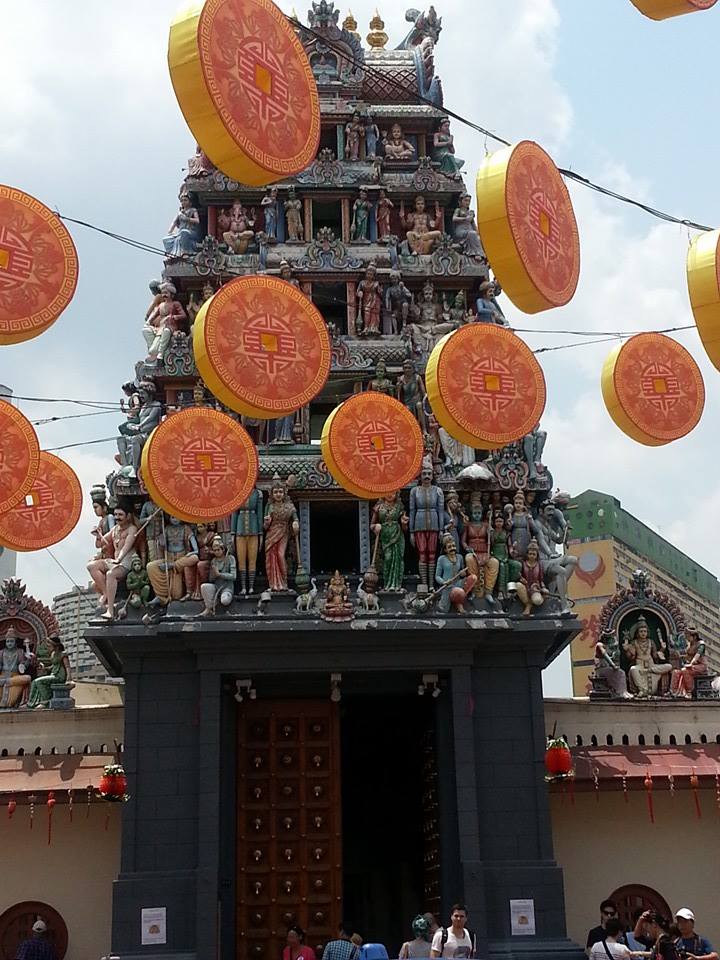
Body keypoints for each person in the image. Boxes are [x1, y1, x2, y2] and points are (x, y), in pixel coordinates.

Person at [26, 638, 71, 710]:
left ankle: (45, 701)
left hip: (59, 676)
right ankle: (31, 703)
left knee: (39, 681)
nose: (48, 648)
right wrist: (45, 668)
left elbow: (67, 667)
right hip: (53, 674)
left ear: (56, 646)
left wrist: (69, 678)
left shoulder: (63, 654)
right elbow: (54, 666)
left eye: (50, 646)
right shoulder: (53, 654)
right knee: (34, 682)